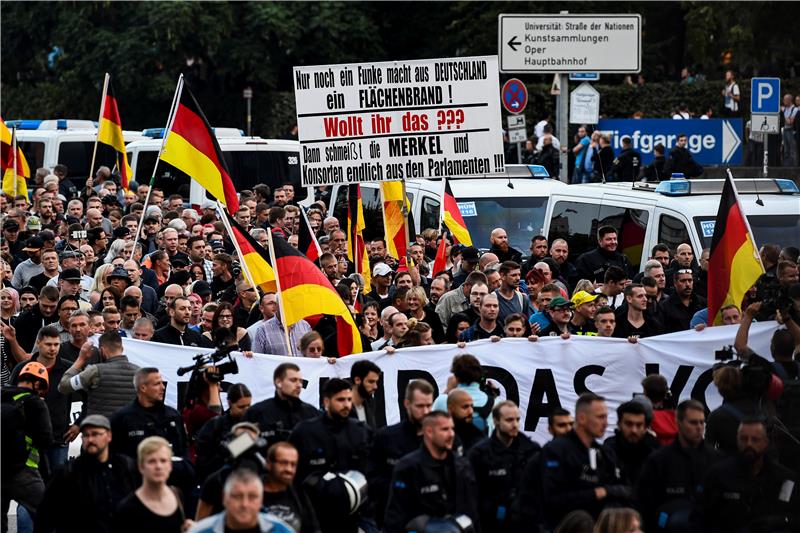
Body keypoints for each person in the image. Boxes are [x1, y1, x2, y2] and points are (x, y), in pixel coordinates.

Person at [288, 378, 372, 533]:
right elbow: (292, 475)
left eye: (349, 399)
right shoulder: (304, 432)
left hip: (355, 515)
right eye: (340, 400)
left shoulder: (361, 431)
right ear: (326, 401)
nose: (346, 404)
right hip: (316, 515)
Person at [690, 418, 798, 533]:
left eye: (755, 440)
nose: (749, 444)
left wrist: (778, 521)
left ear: (766, 442)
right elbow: (698, 517)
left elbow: (795, 516)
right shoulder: (718, 475)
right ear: (737, 440)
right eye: (744, 439)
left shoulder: (784, 478)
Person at [35, 414, 138, 533]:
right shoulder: (69, 472)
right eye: (85, 435)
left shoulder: (125, 467)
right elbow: (46, 513)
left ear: (109, 436)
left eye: (95, 434)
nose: (90, 440)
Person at [540, 393, 630, 527]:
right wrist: (596, 493)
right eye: (600, 417)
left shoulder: (605, 453)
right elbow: (553, 499)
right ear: (582, 418)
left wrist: (604, 492)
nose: (606, 423)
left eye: (606, 417)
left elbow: (625, 488)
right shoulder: (556, 451)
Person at [383, 411, 480, 533]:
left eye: (452, 429)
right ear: (429, 432)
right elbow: (395, 517)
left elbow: (472, 512)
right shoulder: (408, 467)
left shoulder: (462, 465)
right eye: (445, 429)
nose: (451, 435)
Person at [637, 399, 722, 532]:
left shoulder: (715, 459)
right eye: (693, 422)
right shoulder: (659, 460)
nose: (699, 427)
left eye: (701, 422)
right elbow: (646, 502)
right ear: (678, 423)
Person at [367, 380, 434, 528]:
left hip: (431, 520)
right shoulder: (386, 437)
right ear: (407, 404)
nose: (425, 412)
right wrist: (399, 485)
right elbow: (371, 477)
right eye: (420, 406)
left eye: (429, 406)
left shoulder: (440, 438)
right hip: (393, 519)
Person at [469, 400, 540, 532]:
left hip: (526, 523)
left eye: (517, 419)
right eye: (509, 420)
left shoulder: (532, 450)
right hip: (491, 523)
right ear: (496, 420)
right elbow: (472, 493)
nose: (515, 424)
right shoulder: (479, 453)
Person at [1, 361, 52, 532]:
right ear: (37, 383)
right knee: (48, 515)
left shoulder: (2, 396)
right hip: (23, 471)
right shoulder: (35, 402)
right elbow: (46, 439)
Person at [113, 436, 190, 533]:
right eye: (151, 461)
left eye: (163, 461)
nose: (158, 466)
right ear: (140, 466)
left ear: (170, 466)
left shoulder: (177, 495)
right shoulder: (128, 509)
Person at [58, 330, 140, 418]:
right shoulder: (139, 372)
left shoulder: (95, 371)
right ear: (122, 349)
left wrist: (81, 359)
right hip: (128, 427)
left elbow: (64, 386)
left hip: (100, 427)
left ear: (102, 350)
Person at [189, 468, 295, 533]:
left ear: (261, 499)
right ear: (224, 498)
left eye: (252, 497)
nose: (245, 504)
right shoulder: (200, 531)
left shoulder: (282, 530)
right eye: (237, 496)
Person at [245, 363, 319, 446]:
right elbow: (237, 449)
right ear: (278, 382)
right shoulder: (256, 412)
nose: (299, 385)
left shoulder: (312, 413)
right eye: (293, 380)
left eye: (301, 381)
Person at [194, 383, 252, 482]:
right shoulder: (215, 425)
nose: (246, 411)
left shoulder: (254, 424)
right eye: (241, 407)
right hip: (219, 480)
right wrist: (245, 441)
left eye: (248, 406)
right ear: (229, 403)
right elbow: (204, 458)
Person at [260, 442, 320, 533]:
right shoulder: (253, 492)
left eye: (293, 464)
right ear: (268, 464)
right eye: (284, 463)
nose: (289, 469)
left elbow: (313, 529)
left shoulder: (299, 493)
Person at [603, 401, 659, 485]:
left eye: (639, 425)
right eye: (629, 424)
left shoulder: (654, 451)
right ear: (619, 424)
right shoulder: (608, 449)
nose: (634, 430)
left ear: (645, 427)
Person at [659, 269, 706, 333]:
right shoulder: (664, 307)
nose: (687, 284)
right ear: (675, 283)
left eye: (690, 280)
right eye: (683, 281)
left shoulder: (703, 303)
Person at [349, 359, 381, 430]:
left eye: (376, 382)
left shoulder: (371, 403)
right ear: (357, 380)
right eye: (371, 382)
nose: (375, 387)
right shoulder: (342, 406)